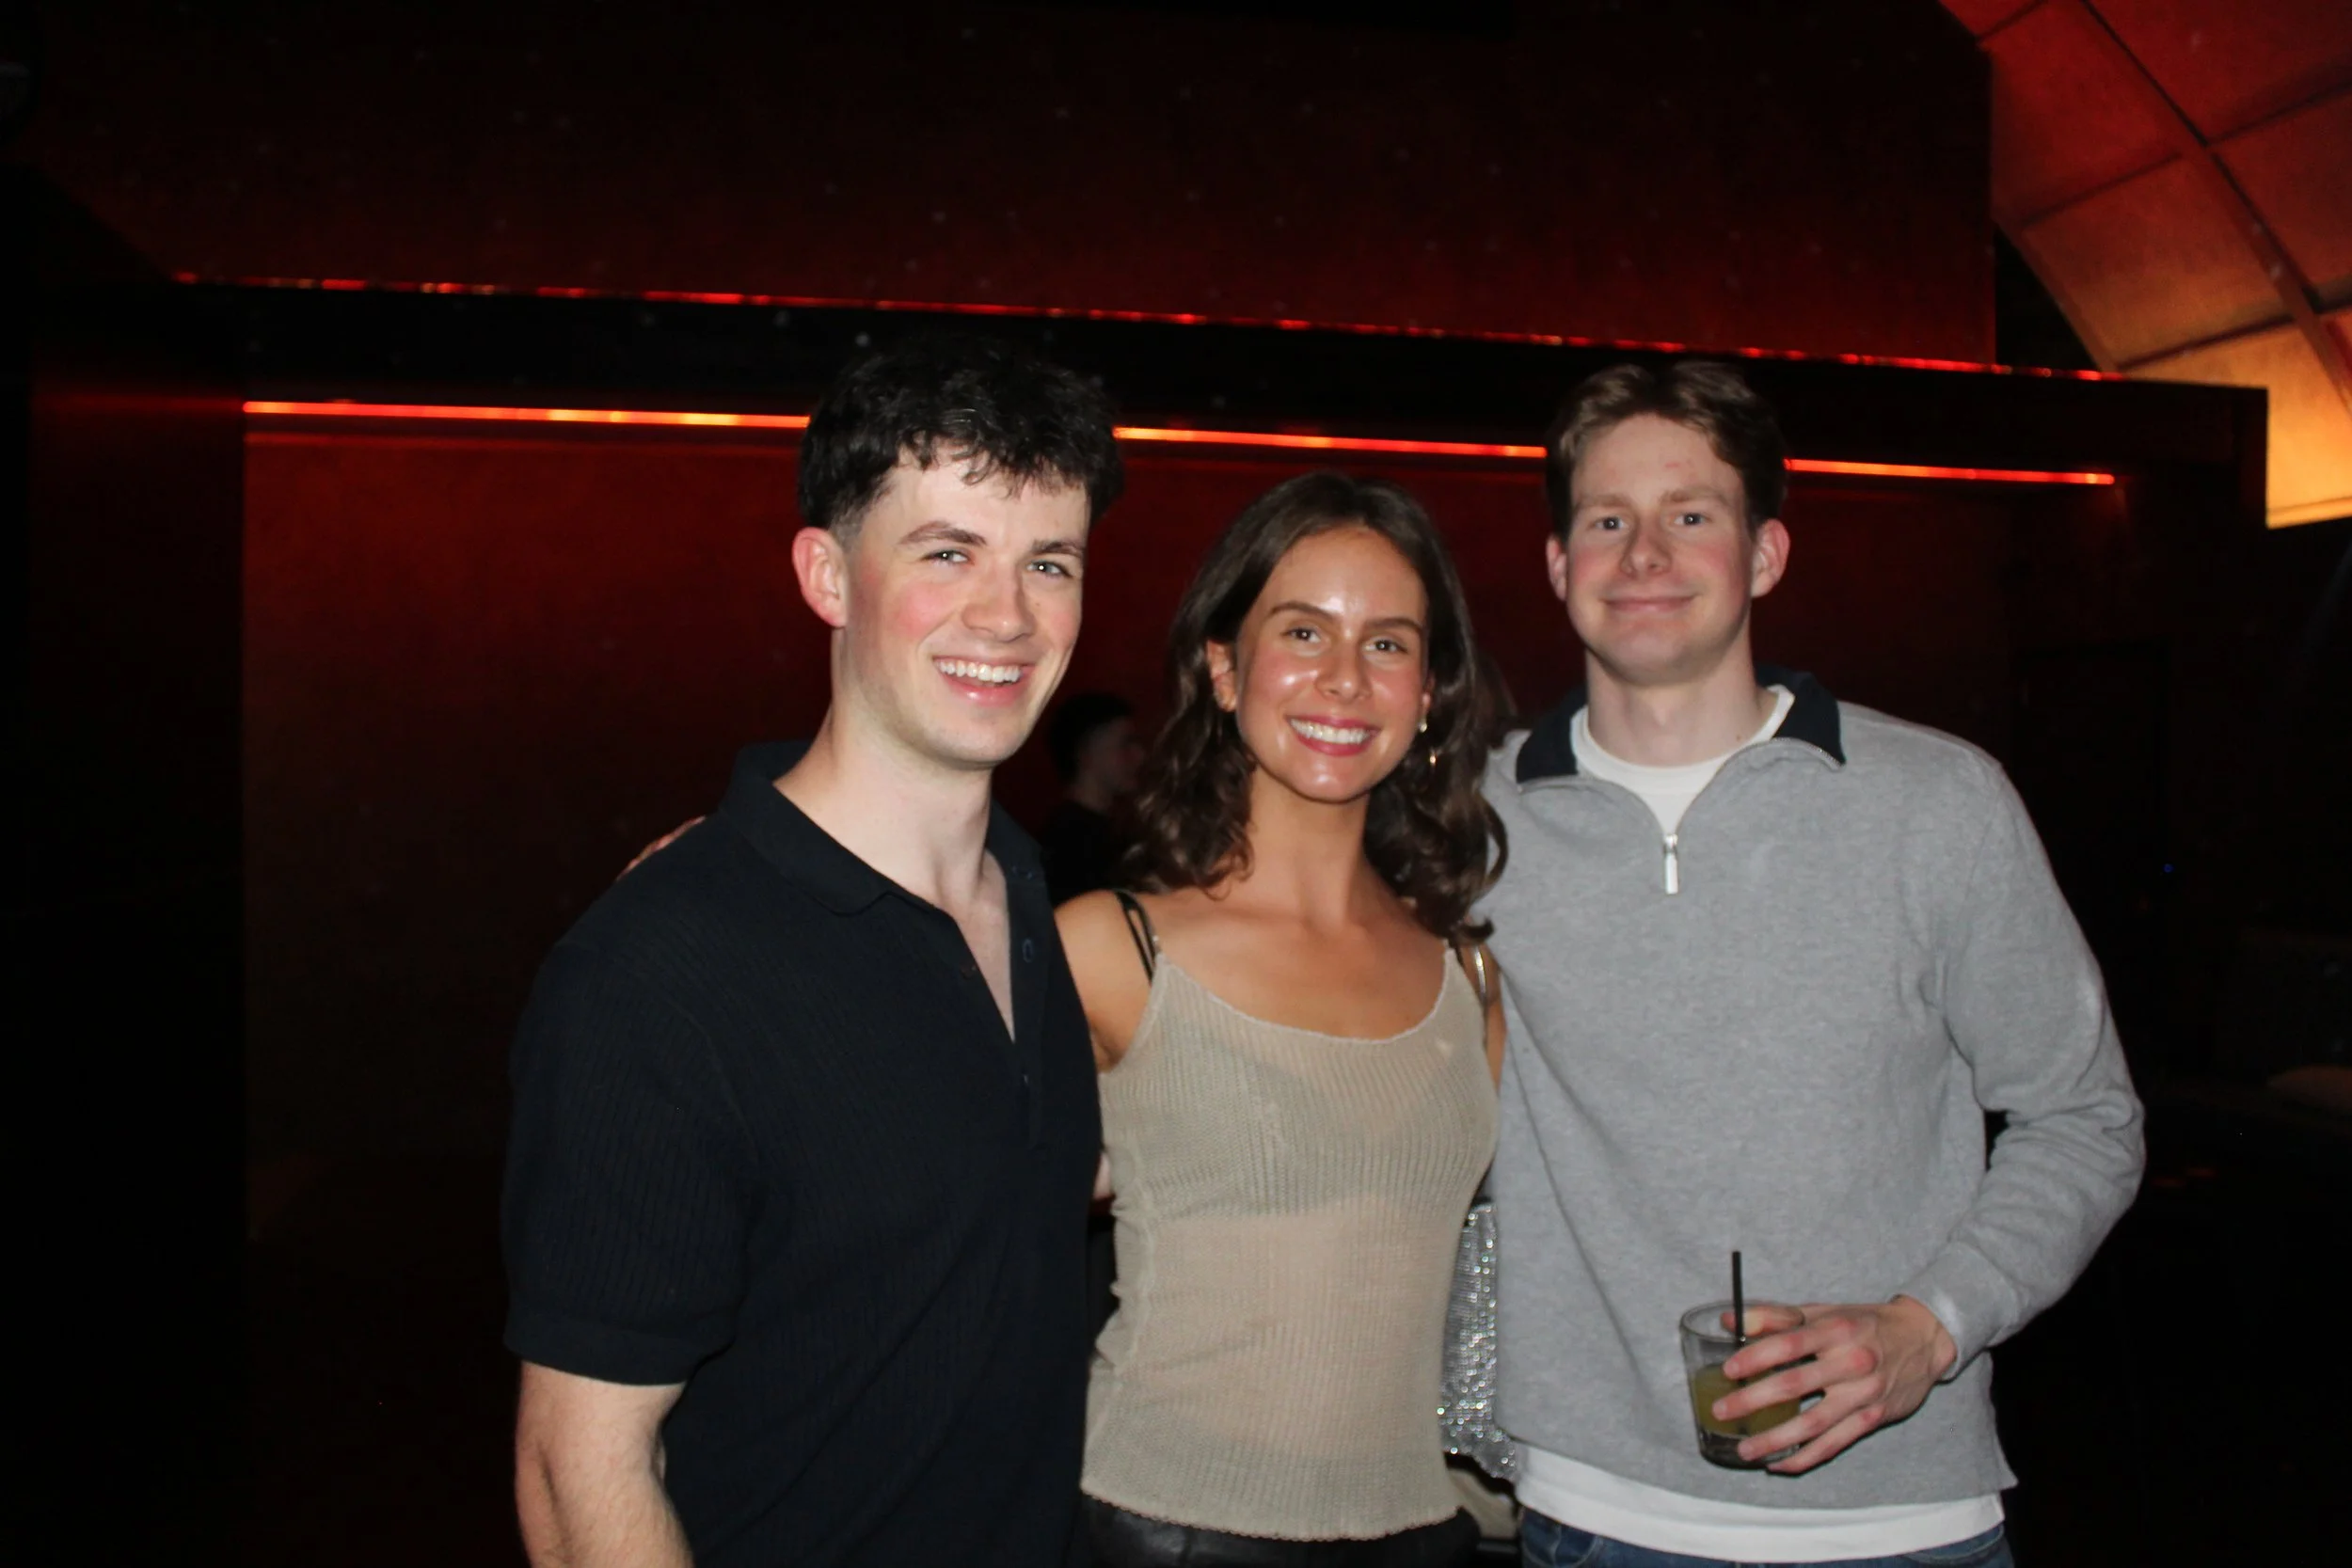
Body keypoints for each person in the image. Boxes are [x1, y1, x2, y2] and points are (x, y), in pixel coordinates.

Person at [1481, 362, 2146, 1568]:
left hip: (1899, 1520)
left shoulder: (1937, 804)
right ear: (1555, 565)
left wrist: (1927, 1326)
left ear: (1766, 554)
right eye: (1605, 519)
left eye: (1692, 514)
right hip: (1594, 1515)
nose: (1643, 553)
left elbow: (2083, 1117)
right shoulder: (1470, 823)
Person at [501, 334, 1123, 1567]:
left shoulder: (1030, 896)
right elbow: (580, 1474)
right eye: (947, 552)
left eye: (1047, 562)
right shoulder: (663, 967)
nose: (1006, 614)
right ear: (827, 575)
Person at [1056, 472, 1507, 1568]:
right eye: (1302, 629)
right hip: (1156, 1525)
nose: (1345, 679)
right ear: (1222, 665)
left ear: (1432, 689)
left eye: (1390, 643)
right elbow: (933, 1221)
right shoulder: (1108, 948)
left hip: (1422, 1532)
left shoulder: (1471, 976)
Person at [1040, 690, 1147, 904]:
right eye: (1125, 744)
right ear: (1087, 752)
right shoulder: (1071, 846)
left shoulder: (1107, 832)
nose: (1140, 755)